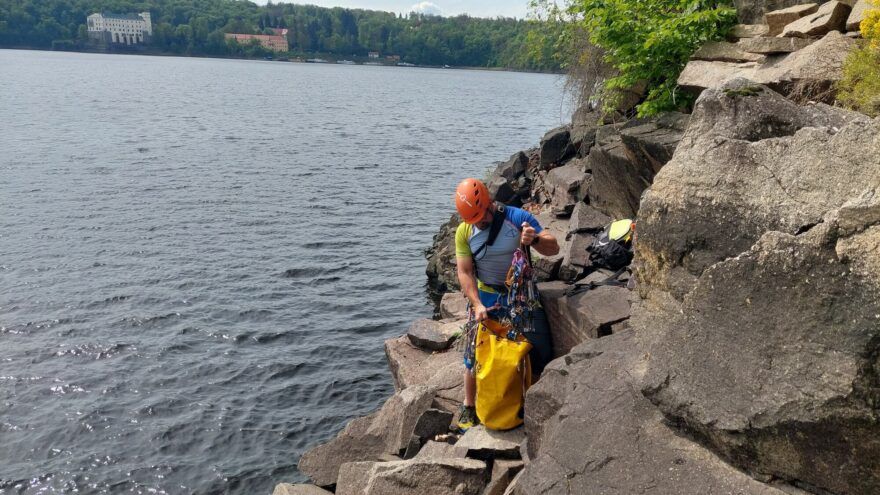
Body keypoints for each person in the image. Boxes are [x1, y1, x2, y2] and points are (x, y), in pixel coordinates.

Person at [453, 178, 559, 431]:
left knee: (541, 348)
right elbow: (465, 272)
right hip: (487, 296)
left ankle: (530, 400)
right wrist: (477, 304)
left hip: (521, 293)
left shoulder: (517, 218)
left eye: (481, 218)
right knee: (474, 352)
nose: (478, 223)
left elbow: (553, 247)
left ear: (489, 203)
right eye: (473, 220)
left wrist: (534, 239)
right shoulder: (465, 232)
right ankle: (469, 405)